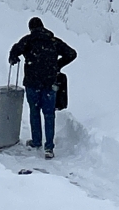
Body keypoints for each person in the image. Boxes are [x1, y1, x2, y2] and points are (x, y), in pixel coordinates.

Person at [9, 17, 76, 159]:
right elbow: (71, 53)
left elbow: (15, 49)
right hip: (49, 84)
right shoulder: (53, 41)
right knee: (49, 114)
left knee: (34, 111)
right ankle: (49, 147)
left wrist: (13, 58)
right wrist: (56, 65)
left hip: (32, 83)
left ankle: (36, 141)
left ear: (31, 28)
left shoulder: (28, 40)